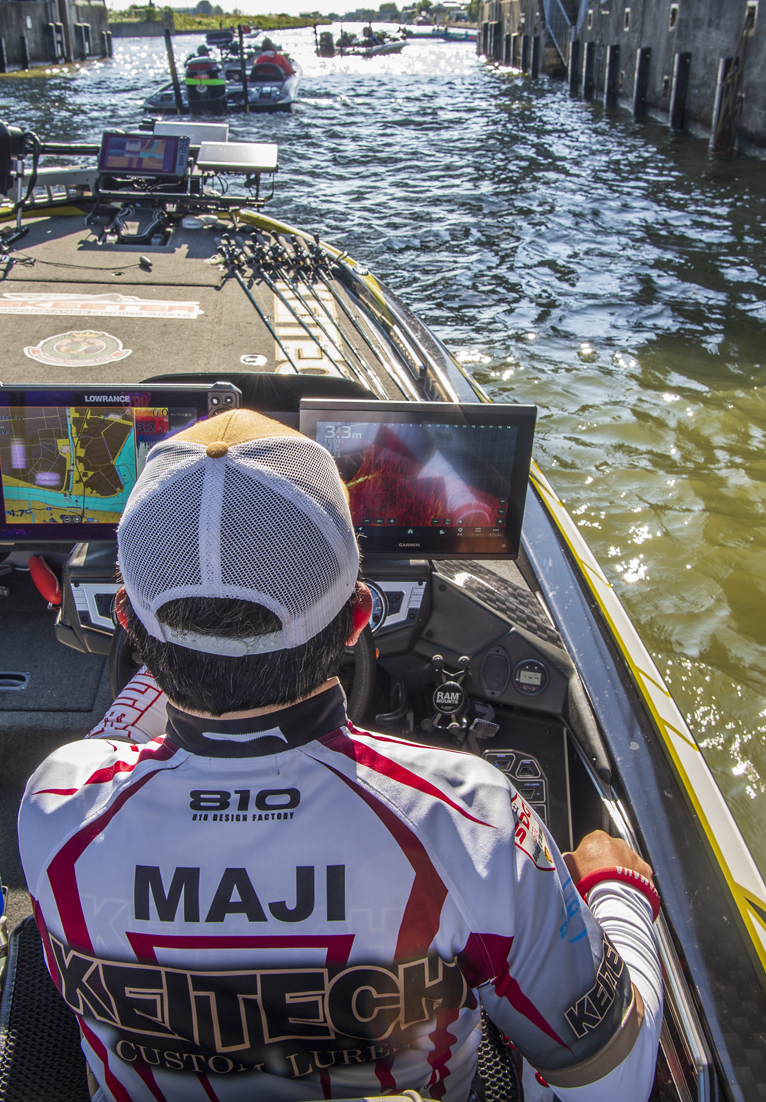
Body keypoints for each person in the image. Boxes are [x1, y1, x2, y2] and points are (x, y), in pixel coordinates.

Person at [19, 409, 663, 1102]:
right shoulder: (468, 822)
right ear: (359, 619)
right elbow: (611, 1087)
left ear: (124, 621)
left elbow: (111, 749)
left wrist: (184, 650)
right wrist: (618, 892)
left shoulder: (59, 807)